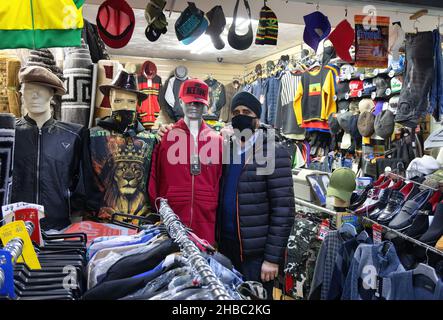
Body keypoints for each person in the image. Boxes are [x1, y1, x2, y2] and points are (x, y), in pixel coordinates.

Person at [216, 91, 295, 299]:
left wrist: (271, 258)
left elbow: (284, 210)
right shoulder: (227, 149)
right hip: (226, 248)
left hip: (256, 256)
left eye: (247, 112)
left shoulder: (274, 152)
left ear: (257, 119)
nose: (240, 116)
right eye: (236, 112)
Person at [149, 79, 223, 245]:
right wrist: (159, 209)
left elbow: (220, 181)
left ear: (206, 105)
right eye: (189, 102)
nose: (193, 107)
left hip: (206, 222)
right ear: (180, 101)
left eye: (198, 103)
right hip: (171, 220)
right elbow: (155, 178)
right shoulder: (166, 137)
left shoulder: (217, 141)